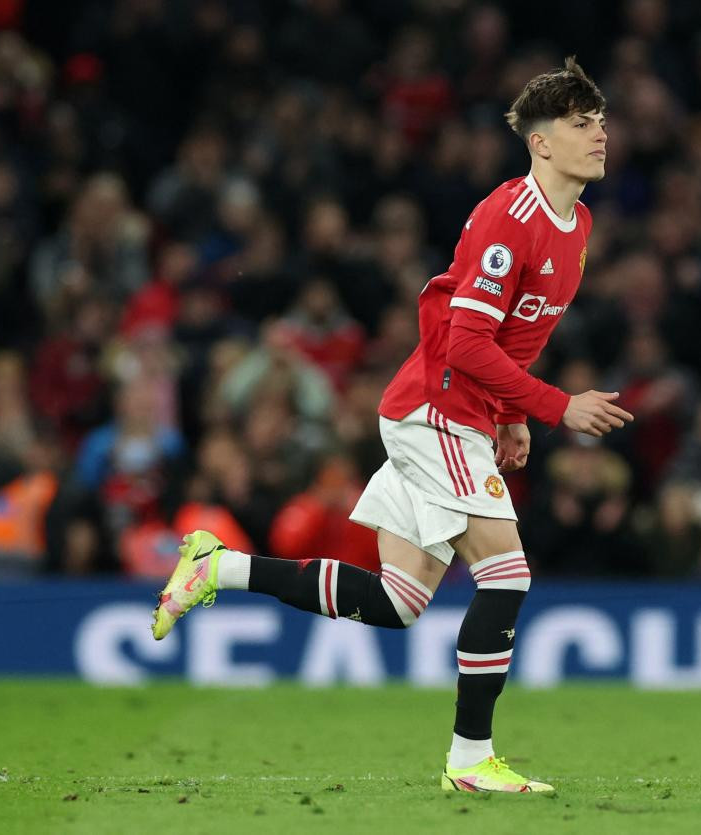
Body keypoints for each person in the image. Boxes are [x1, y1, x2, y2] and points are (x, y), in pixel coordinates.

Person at [151, 58, 632, 793]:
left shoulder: (578, 223)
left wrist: (510, 415)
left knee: (401, 600)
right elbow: (467, 342)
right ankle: (471, 760)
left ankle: (218, 565)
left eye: (599, 120)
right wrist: (555, 405)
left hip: (462, 413)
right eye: (580, 122)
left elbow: (512, 336)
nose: (599, 133)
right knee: (507, 573)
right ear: (540, 143)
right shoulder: (512, 220)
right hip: (437, 408)